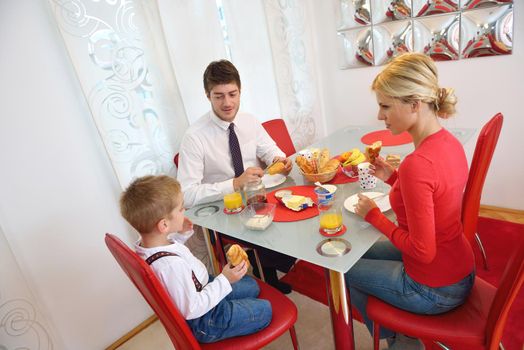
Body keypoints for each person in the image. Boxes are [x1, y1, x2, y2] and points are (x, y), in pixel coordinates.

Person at [345, 53, 475, 350]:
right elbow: (434, 195)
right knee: (355, 253)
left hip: (435, 288)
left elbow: (422, 250)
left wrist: (375, 216)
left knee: (343, 270)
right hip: (460, 269)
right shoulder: (448, 142)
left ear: (415, 105)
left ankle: (400, 341)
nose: (380, 115)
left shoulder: (418, 163)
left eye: (385, 106)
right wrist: (394, 177)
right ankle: (398, 336)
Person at [177, 59, 296, 293]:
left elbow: (268, 149)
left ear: (240, 91)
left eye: (232, 94)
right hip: (223, 210)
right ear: (207, 96)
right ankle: (265, 278)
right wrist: (233, 184)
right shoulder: (194, 137)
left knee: (293, 214)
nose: (227, 103)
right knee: (272, 230)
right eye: (218, 96)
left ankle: (272, 274)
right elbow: (186, 195)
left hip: (257, 197)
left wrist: (278, 159)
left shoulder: (249, 120)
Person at [119, 175, 271, 343]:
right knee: (266, 310)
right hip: (206, 319)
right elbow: (192, 308)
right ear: (163, 225)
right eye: (180, 209)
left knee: (252, 286)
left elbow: (171, 249)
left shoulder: (148, 245)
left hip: (203, 286)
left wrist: (180, 234)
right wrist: (225, 280)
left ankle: (236, 305)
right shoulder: (171, 266)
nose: (184, 211)